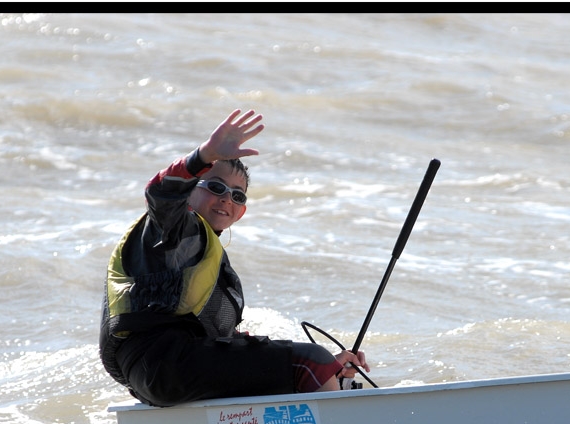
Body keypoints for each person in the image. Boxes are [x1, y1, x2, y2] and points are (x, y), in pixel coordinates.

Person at [99, 108, 369, 407]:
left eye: (237, 196)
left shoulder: (205, 257)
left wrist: (329, 369)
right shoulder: (171, 229)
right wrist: (202, 156)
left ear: (240, 212)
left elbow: (224, 345)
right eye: (216, 187)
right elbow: (161, 193)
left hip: (161, 372)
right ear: (190, 192)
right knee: (309, 362)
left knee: (312, 366)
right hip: (164, 364)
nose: (227, 198)